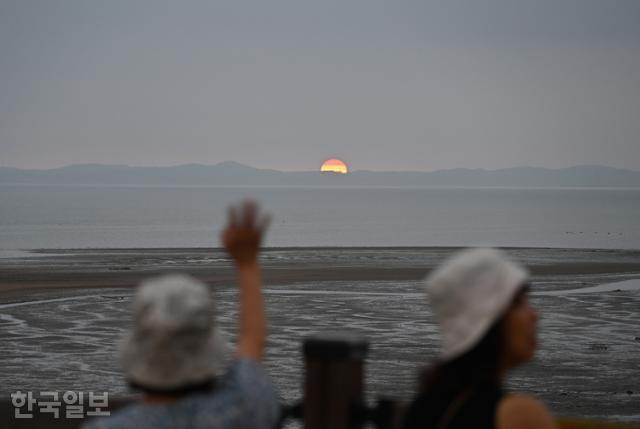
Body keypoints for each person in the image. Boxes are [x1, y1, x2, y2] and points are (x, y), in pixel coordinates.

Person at [83, 200, 278, 429]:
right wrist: (247, 263)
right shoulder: (243, 411)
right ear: (208, 351)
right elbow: (251, 343)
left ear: (136, 354)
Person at [402, 248, 556, 429]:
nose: (534, 315)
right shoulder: (518, 414)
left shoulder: (421, 409)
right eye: (518, 303)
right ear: (490, 321)